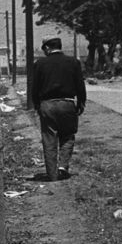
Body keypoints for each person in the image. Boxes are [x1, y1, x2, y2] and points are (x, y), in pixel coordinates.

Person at [29, 36, 86, 181]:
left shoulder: (40, 64)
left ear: (47, 48)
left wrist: (36, 105)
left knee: (49, 139)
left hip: (47, 104)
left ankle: (52, 174)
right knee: (67, 136)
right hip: (67, 103)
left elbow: (34, 88)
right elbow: (80, 86)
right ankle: (63, 166)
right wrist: (80, 103)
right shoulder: (73, 62)